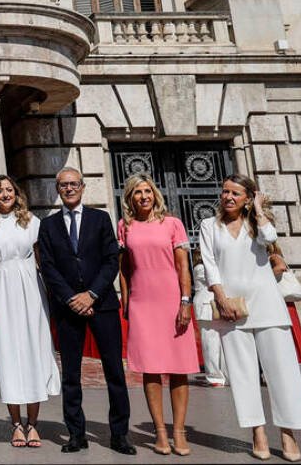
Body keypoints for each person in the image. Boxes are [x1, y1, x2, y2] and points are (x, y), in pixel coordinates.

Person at [200, 174, 301, 462]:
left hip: (268, 306)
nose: (228, 197)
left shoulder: (257, 225)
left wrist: (259, 211)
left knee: (283, 374)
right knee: (242, 374)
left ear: (248, 198)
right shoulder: (209, 226)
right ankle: (257, 433)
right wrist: (221, 299)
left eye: (235, 193)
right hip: (232, 308)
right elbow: (210, 265)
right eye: (225, 191)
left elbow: (270, 239)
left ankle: (288, 434)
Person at [36, 166, 134, 455]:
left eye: (73, 184)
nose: (69, 188)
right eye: (63, 185)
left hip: (102, 305)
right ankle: (76, 434)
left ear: (82, 186)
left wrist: (90, 295)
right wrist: (71, 298)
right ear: (58, 189)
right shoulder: (48, 225)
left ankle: (119, 434)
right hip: (68, 310)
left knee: (114, 371)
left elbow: (111, 261)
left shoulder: (100, 219)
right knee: (71, 376)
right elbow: (48, 267)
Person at [0, 175, 59, 450]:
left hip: (30, 290)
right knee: (9, 356)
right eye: (0, 190)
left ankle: (33, 424)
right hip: (0, 290)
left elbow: (42, 260)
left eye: (9, 189)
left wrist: (52, 294)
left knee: (34, 352)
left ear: (16, 194)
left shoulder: (33, 222)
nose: (5, 194)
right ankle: (15, 425)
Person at [116, 173, 198, 456]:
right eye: (137, 192)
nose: (143, 196)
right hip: (142, 303)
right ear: (130, 197)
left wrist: (186, 301)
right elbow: (124, 269)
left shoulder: (172, 224)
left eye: (147, 191)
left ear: (155, 194)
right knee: (150, 369)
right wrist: (126, 303)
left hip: (172, 300)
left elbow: (182, 266)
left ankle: (179, 431)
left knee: (178, 368)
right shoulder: (124, 227)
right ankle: (160, 432)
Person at [267, 243, 301, 366]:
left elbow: (280, 267)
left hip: (281, 302)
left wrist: (263, 276)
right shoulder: (274, 256)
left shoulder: (273, 256)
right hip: (284, 301)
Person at [193, 253, 228, 387]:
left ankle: (224, 374)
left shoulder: (207, 267)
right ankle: (214, 376)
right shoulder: (201, 268)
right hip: (206, 307)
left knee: (221, 343)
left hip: (214, 305)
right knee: (210, 343)